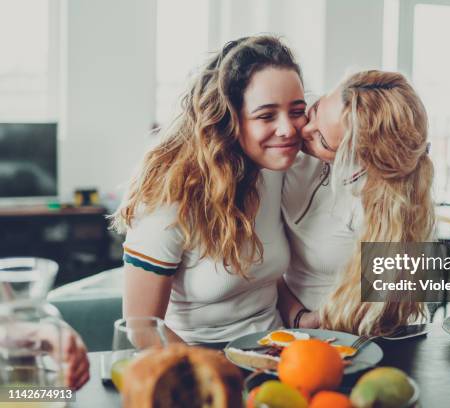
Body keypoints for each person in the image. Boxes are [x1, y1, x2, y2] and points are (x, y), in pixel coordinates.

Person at [110, 36, 307, 343]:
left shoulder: (279, 165)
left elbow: (261, 279)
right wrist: (214, 375)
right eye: (266, 116)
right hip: (196, 362)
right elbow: (141, 328)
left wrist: (301, 318)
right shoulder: (172, 194)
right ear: (227, 120)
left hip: (279, 351)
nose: (288, 129)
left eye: (297, 110)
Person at [279, 70, 434, 335]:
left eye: (323, 141)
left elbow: (377, 312)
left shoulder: (380, 206)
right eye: (315, 111)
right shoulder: (294, 130)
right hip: (292, 327)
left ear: (362, 158)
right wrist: (292, 314)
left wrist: (309, 320)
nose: (303, 130)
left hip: (353, 335)